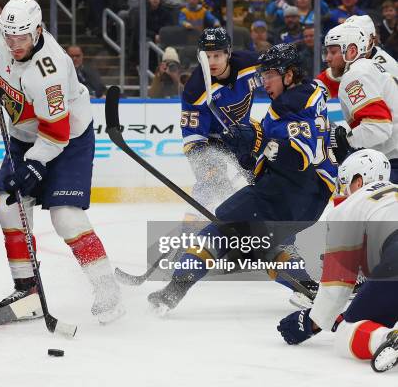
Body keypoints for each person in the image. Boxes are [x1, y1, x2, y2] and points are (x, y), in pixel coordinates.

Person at [149, 43, 336, 313]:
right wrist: (251, 151)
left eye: (271, 74)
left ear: (290, 75)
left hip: (288, 192)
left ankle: (171, 292)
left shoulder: (289, 106)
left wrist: (259, 142)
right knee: (266, 244)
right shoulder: (314, 92)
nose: (265, 81)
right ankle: (309, 289)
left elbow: (298, 157)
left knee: (219, 230)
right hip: (313, 199)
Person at [0, 0, 124, 324]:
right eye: (10, 36)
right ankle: (27, 289)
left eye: (21, 37)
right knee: (9, 206)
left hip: (68, 138)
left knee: (66, 217)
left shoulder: (50, 69)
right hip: (24, 134)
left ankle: (107, 289)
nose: (13, 44)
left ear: (38, 31)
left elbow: (56, 131)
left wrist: (35, 164)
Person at [277, 149, 398, 373]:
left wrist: (312, 322)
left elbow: (338, 282)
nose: (341, 191)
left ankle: (387, 338)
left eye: (344, 182)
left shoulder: (347, 209)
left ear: (359, 181)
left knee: (347, 334)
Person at [180, 27, 260, 212]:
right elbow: (193, 138)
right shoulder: (195, 90)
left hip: (244, 132)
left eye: (217, 56)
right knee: (210, 181)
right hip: (212, 141)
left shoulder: (251, 64)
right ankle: (196, 223)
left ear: (228, 53)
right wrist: (205, 166)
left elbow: (280, 79)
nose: (212, 62)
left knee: (262, 177)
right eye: (207, 56)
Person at [325, 23, 398, 182]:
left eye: (333, 52)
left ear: (351, 51)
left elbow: (378, 127)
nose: (327, 58)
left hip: (392, 162)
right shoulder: (369, 67)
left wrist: (347, 142)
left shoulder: (356, 75)